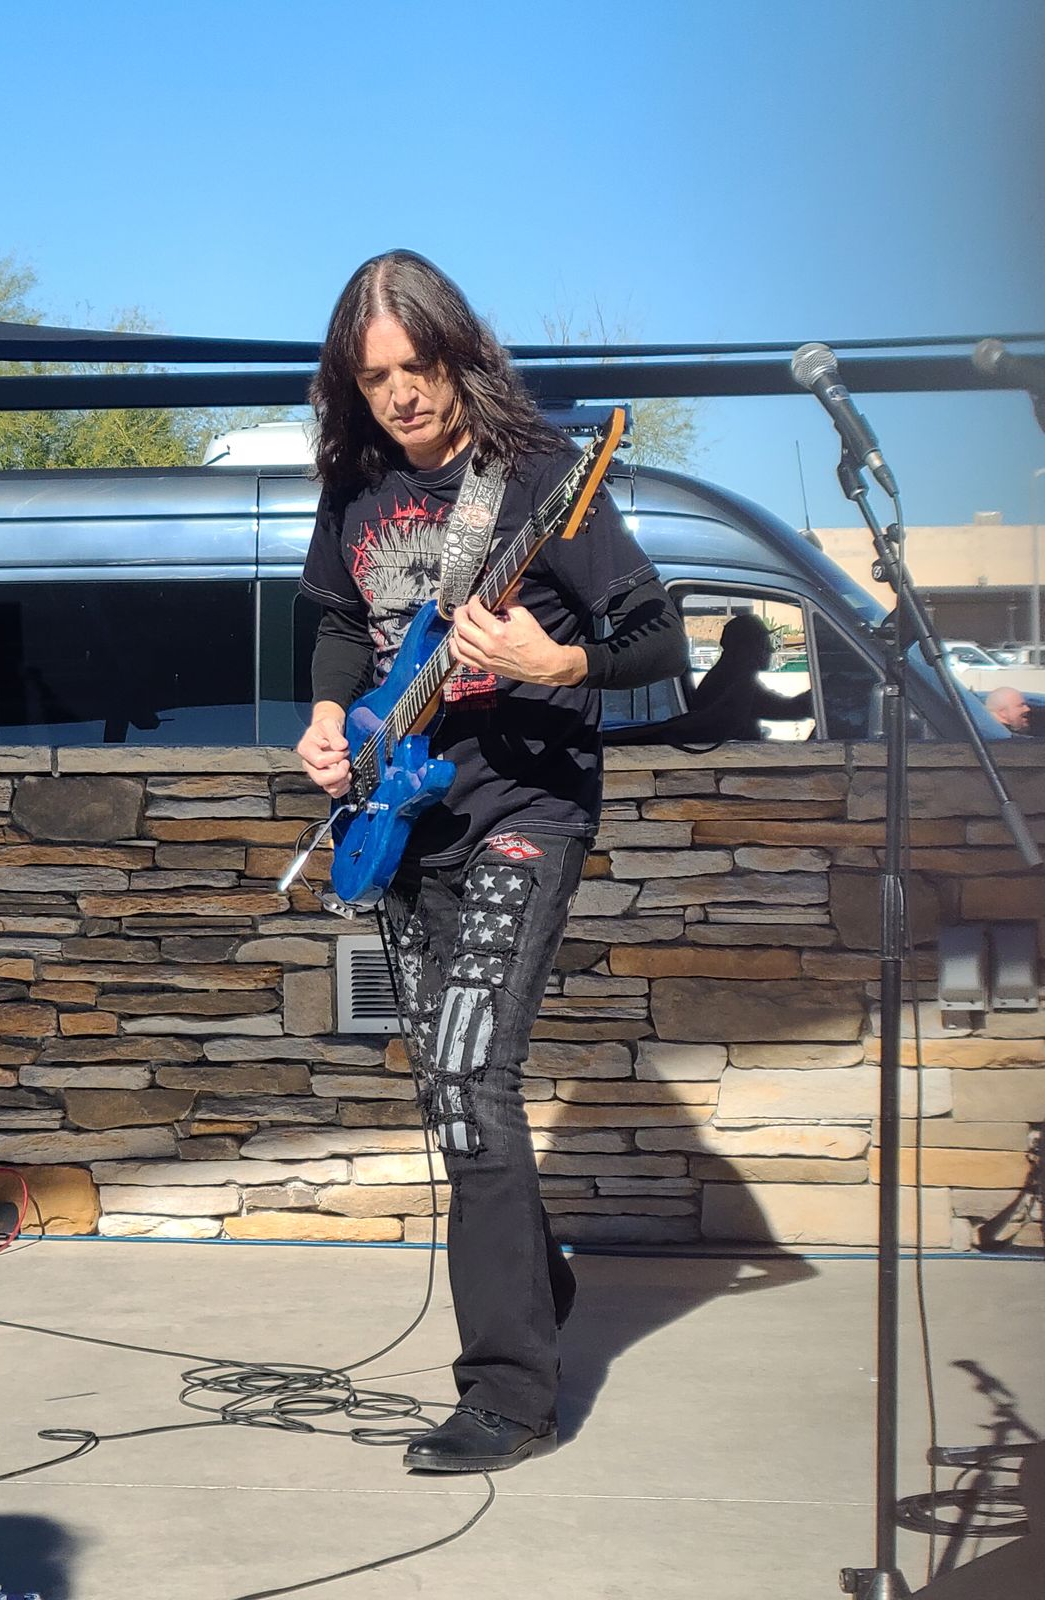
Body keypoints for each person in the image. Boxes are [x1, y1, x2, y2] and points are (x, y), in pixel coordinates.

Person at [296, 250, 686, 1473]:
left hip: (528, 806)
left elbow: (658, 636)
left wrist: (557, 662)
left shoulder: (544, 476)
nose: (402, 396)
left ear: (460, 354)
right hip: (404, 815)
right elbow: (336, 621)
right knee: (449, 1090)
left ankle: (510, 1394)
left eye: (418, 367)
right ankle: (534, 1278)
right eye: (376, 379)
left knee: (472, 1074)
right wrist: (328, 716)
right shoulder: (356, 485)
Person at [683, 612, 813, 740]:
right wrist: (817, 696)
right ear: (745, 648)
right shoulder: (736, 684)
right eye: (764, 644)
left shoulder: (728, 676)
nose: (771, 649)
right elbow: (790, 710)